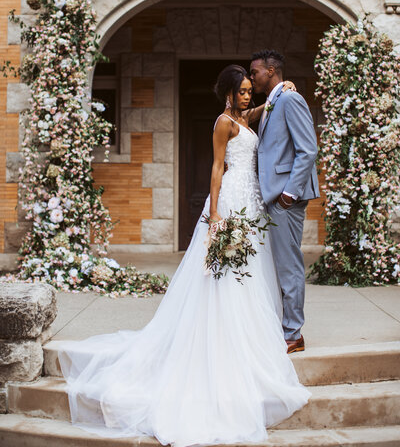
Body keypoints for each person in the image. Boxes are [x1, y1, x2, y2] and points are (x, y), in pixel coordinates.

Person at [58, 64, 311, 447]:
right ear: (229, 93)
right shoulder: (223, 123)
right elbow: (216, 167)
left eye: (249, 90)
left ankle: (255, 328)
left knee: (256, 269)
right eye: (242, 91)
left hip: (253, 200)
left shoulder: (247, 115)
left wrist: (283, 88)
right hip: (229, 200)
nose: (248, 95)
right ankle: (225, 331)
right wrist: (214, 214)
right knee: (225, 270)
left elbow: (268, 106)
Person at [250, 51, 319, 354]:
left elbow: (308, 149)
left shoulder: (290, 100)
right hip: (271, 196)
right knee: (277, 265)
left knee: (289, 266)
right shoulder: (273, 102)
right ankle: (283, 325)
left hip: (285, 198)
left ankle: (293, 333)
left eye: (255, 72)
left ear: (271, 70)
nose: (252, 78)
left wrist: (290, 192)